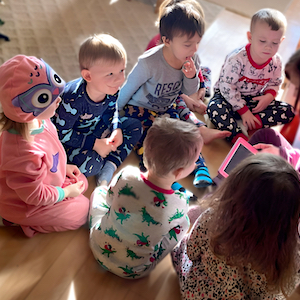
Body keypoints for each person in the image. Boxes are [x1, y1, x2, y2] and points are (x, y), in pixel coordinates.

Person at [117, 0, 230, 188]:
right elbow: (127, 89)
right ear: (166, 40)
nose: (194, 50)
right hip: (140, 109)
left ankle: (200, 169)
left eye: (197, 43)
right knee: (149, 144)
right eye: (188, 44)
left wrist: (192, 75)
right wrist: (114, 115)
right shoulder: (149, 63)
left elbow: (188, 91)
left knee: (184, 137)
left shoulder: (190, 58)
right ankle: (168, 183)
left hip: (166, 108)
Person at [172, 152, 300, 299]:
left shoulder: (212, 218)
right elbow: (278, 294)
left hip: (196, 293)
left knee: (181, 245)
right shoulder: (289, 256)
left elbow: (192, 251)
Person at [89, 117, 202, 279]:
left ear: (145, 152)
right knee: (183, 223)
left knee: (99, 191)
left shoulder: (126, 175)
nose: (196, 164)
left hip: (98, 246)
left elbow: (108, 200)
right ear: (179, 172)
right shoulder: (179, 202)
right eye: (195, 161)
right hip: (135, 271)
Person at [0, 55, 90, 238]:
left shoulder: (41, 119)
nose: (59, 101)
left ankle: (59, 194)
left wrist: (63, 167)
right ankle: (19, 221)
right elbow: (34, 196)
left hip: (46, 180)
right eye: (49, 98)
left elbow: (52, 150)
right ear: (26, 109)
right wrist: (65, 192)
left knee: (82, 181)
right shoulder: (23, 152)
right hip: (24, 204)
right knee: (82, 212)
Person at [51, 34, 142, 186]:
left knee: (135, 126)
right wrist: (95, 144)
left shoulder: (112, 88)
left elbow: (111, 111)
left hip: (97, 128)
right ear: (88, 75)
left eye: (121, 70)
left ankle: (110, 166)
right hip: (71, 140)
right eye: (110, 74)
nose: (119, 79)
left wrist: (116, 128)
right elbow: (61, 134)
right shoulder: (73, 99)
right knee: (91, 165)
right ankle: (103, 160)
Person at [207, 8, 294, 144]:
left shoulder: (276, 61)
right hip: (227, 98)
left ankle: (251, 123)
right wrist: (243, 111)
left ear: (281, 41)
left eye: (275, 43)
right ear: (250, 37)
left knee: (288, 111)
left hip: (253, 100)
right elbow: (226, 87)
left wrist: (268, 97)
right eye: (262, 41)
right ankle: (237, 136)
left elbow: (275, 82)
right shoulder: (237, 59)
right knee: (214, 108)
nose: (268, 47)